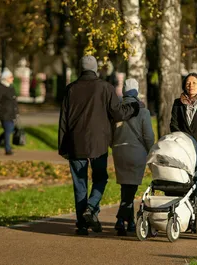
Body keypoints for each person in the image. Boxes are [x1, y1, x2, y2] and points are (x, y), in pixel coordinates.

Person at [58, 55, 141, 236]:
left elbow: (63, 119)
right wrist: (133, 108)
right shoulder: (105, 87)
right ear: (95, 69)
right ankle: (91, 206)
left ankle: (81, 225)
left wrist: (62, 146)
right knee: (100, 178)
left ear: (81, 69)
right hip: (98, 142)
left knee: (79, 184)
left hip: (74, 143)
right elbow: (118, 113)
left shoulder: (70, 89)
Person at [112, 78, 155, 236]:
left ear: (124, 91)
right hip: (137, 152)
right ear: (136, 91)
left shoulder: (116, 108)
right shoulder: (143, 111)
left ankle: (129, 222)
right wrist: (151, 151)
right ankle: (120, 219)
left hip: (118, 151)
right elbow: (148, 136)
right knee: (131, 187)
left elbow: (111, 132)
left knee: (126, 187)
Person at [170, 73, 197, 170]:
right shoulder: (178, 103)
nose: (191, 86)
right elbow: (174, 124)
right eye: (188, 83)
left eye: (194, 83)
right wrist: (182, 140)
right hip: (184, 149)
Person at [0, 68, 19, 155]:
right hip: (4, 113)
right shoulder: (0, 88)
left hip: (11, 113)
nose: (13, 79)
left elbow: (14, 101)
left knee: (9, 130)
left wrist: (16, 112)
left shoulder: (11, 87)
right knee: (8, 130)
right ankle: (7, 149)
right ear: (6, 78)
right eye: (11, 77)